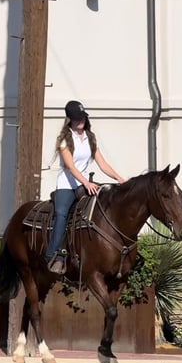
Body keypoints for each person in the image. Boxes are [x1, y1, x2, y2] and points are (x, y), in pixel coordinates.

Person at [45, 100, 125, 274]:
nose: (80, 121)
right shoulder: (64, 141)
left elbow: (102, 163)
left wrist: (119, 178)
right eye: (77, 118)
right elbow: (71, 167)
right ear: (70, 120)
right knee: (61, 214)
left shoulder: (90, 138)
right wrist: (86, 182)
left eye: (82, 117)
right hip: (67, 185)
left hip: (84, 184)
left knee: (103, 208)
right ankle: (54, 255)